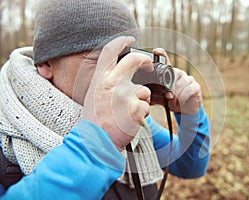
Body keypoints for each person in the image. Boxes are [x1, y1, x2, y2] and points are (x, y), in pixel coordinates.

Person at [0, 0, 210, 199]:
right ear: (46, 63)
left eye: (123, 59)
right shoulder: (6, 134)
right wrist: (97, 142)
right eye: (100, 60)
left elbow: (190, 166)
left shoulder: (132, 124)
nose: (117, 75)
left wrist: (190, 114)